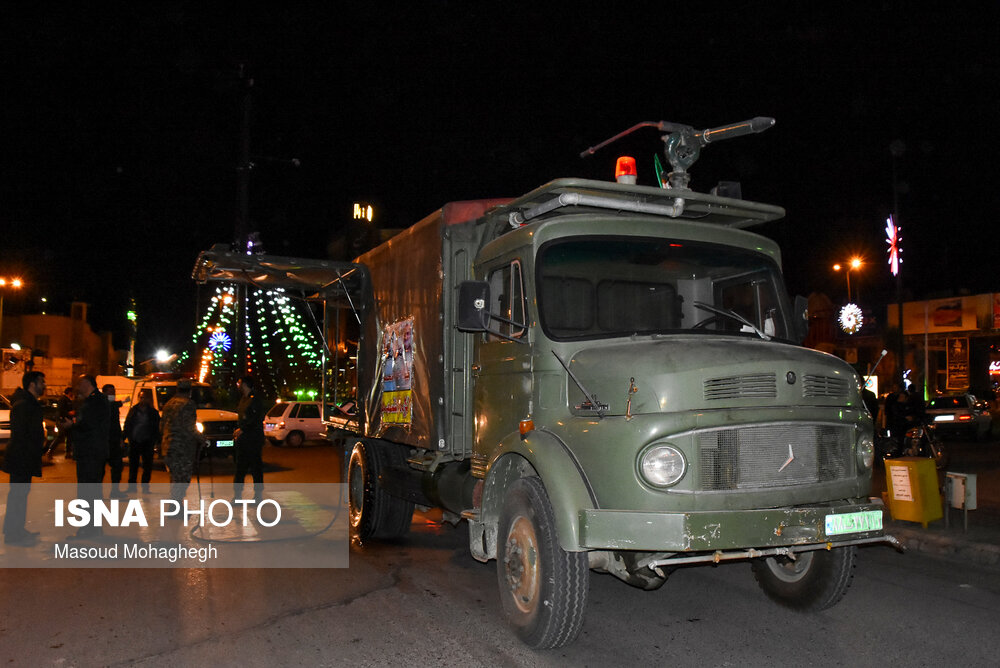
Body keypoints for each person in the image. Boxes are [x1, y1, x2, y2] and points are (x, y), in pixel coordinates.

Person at [62, 374, 109, 538]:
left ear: (87, 383)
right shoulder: (95, 400)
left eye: (80, 384)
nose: (77, 387)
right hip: (91, 451)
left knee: (88, 491)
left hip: (91, 452)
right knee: (90, 491)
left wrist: (72, 425)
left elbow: (89, 424)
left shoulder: (95, 401)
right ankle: (92, 527)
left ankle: (89, 528)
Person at [2, 371, 46, 546]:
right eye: (42, 382)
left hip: (24, 458)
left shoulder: (29, 403)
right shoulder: (23, 405)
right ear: (32, 384)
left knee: (20, 495)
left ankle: (17, 530)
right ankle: (13, 534)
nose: (44, 385)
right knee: (17, 496)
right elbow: (21, 434)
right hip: (21, 459)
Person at [160, 378, 201, 503]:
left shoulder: (169, 404)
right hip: (182, 448)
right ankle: (175, 507)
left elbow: (161, 426)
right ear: (190, 391)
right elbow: (190, 427)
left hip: (168, 446)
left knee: (175, 479)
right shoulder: (188, 404)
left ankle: (175, 506)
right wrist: (202, 439)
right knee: (182, 479)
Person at [233, 375, 266, 501]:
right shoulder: (244, 399)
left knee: (255, 468)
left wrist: (243, 429)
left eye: (239, 383)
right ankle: (237, 496)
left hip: (253, 439)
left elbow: (255, 419)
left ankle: (258, 496)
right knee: (240, 468)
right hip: (243, 439)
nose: (238, 386)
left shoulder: (255, 399)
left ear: (245, 385)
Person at [123, 389, 159, 493]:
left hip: (147, 442)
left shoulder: (152, 412)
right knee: (133, 466)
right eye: (141, 397)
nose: (142, 400)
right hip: (135, 441)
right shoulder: (134, 410)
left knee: (147, 466)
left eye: (144, 397)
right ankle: (132, 487)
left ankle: (145, 487)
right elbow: (128, 424)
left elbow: (156, 427)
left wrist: (156, 440)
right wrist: (125, 437)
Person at [102, 384, 126, 498]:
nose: (113, 394)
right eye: (111, 392)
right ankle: (99, 493)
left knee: (117, 466)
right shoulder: (102, 404)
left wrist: (120, 438)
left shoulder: (113, 405)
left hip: (114, 440)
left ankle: (115, 491)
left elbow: (116, 424)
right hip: (104, 440)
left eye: (114, 392)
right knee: (100, 468)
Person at [44, 386, 75, 459]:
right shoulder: (63, 399)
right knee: (60, 437)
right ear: (69, 392)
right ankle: (50, 451)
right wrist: (68, 413)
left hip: (67, 421)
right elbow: (60, 411)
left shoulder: (68, 399)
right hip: (63, 421)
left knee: (69, 437)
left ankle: (68, 453)